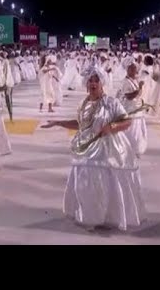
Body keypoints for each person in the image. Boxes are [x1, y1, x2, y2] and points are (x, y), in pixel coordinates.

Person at [41, 65, 146, 231]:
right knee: (86, 184)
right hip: (87, 149)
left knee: (105, 183)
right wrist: (59, 123)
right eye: (90, 80)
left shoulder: (111, 102)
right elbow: (81, 125)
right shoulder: (83, 104)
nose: (93, 83)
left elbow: (127, 121)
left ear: (102, 83)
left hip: (108, 150)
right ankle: (91, 216)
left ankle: (107, 217)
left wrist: (111, 128)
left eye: (96, 80)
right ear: (86, 83)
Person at [117, 57, 147, 158]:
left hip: (137, 111)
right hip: (130, 111)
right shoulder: (126, 82)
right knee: (130, 133)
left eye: (135, 68)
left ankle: (134, 150)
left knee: (137, 133)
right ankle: (127, 150)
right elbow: (129, 96)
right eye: (133, 68)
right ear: (128, 69)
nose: (135, 70)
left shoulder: (133, 80)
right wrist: (140, 88)